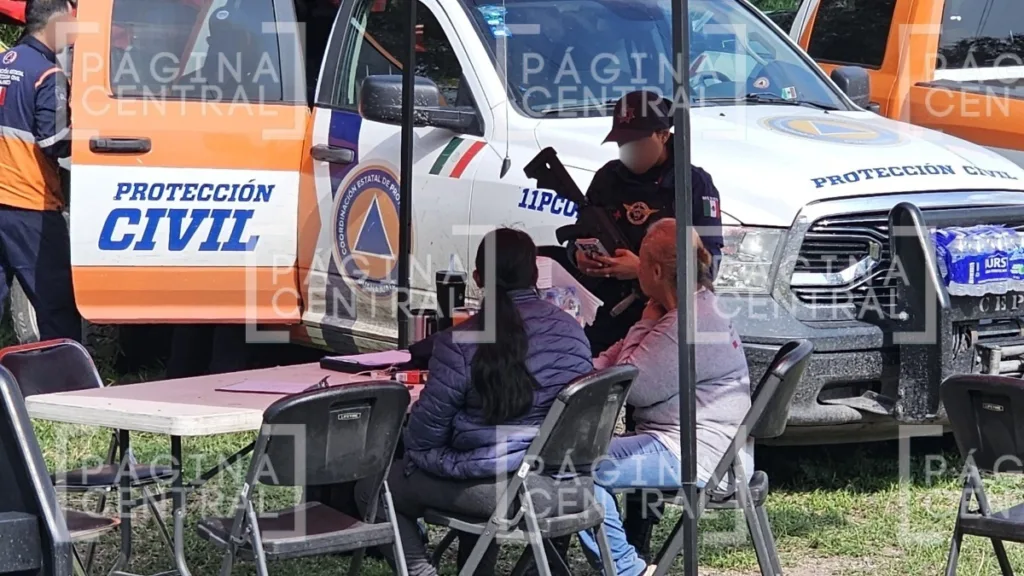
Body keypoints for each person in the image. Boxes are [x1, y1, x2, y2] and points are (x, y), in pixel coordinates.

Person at [354, 227, 594, 576]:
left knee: (373, 487)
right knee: (469, 464)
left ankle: (421, 571)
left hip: (503, 491)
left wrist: (445, 458)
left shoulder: (459, 342)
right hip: (570, 484)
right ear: (534, 273)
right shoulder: (572, 330)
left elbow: (423, 439)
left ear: (478, 278)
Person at [577, 219, 753, 576]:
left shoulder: (684, 324)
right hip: (705, 446)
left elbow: (632, 386)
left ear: (655, 271)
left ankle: (627, 570)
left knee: (575, 469)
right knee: (574, 461)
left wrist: (642, 323)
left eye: (641, 261)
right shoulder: (693, 308)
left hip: (698, 454)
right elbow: (625, 357)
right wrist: (586, 367)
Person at [571, 89, 724, 356]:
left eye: (637, 142)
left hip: (665, 322)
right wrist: (579, 256)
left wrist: (642, 269)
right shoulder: (607, 178)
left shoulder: (693, 184)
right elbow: (578, 233)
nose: (629, 150)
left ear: (663, 135)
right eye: (622, 143)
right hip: (603, 317)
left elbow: (708, 265)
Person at [0, 0, 81, 342]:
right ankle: (63, 373)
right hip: (29, 204)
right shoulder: (49, 74)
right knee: (56, 307)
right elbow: (54, 141)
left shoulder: (4, 61)